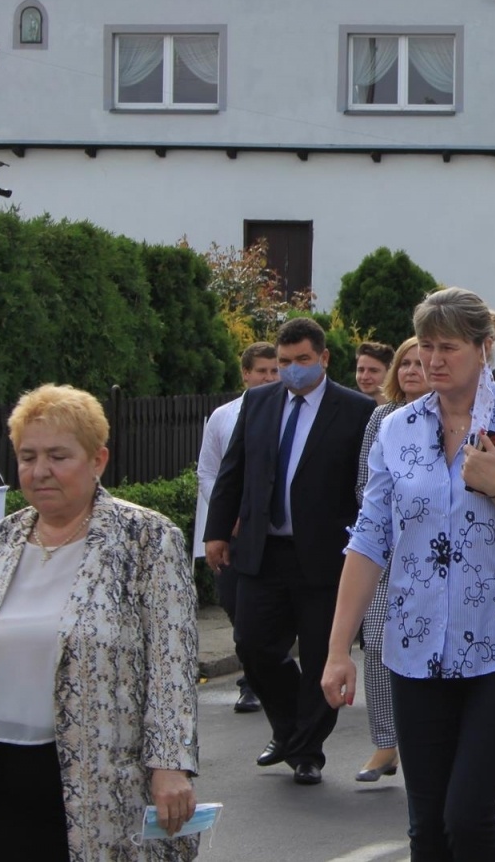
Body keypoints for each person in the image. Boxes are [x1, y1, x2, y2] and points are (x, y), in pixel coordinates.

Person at [322, 287, 495, 861]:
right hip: (414, 649)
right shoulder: (397, 429)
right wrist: (339, 649)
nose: (433, 360)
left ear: (484, 348)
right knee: (427, 828)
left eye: (449, 347)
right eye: (427, 346)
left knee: (469, 817)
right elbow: (368, 540)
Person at [0, 384, 198, 860]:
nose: (40, 471)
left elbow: (174, 663)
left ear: (98, 460)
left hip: (102, 780)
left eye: (58, 456)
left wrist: (171, 765)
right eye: (27, 456)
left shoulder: (146, 539)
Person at [205, 316, 377, 786]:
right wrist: (217, 531)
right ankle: (287, 729)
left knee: (324, 656)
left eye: (302, 360)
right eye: (284, 362)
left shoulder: (357, 410)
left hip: (327, 556)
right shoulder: (258, 402)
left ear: (323, 358)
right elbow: (233, 470)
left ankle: (307, 750)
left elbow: (368, 486)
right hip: (264, 549)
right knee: (253, 646)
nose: (292, 370)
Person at [351, 336, 428, 782]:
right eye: (406, 364)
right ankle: (385, 744)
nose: (412, 371)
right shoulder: (381, 417)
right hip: (388, 553)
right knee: (377, 643)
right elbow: (365, 484)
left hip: (435, 556)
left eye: (421, 364)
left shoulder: (454, 418)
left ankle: (422, 742)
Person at [195, 340, 279, 715]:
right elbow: (209, 471)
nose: (268, 377)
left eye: (274, 370)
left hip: (272, 533)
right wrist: (227, 516)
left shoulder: (286, 414)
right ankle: (256, 670)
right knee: (234, 603)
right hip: (233, 532)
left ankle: (257, 681)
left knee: (266, 610)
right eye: (261, 371)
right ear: (245, 373)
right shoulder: (223, 417)